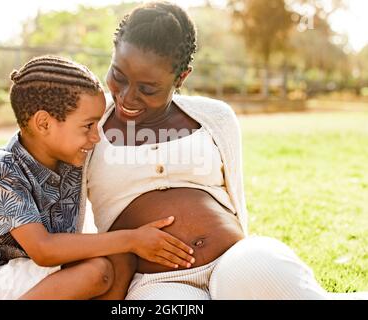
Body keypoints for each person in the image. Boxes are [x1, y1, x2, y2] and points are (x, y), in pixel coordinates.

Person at [83, 1, 367, 300]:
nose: (128, 96)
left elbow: (237, 200)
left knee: (270, 274)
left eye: (148, 88)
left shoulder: (215, 117)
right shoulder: (84, 125)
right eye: (119, 76)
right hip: (156, 282)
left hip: (235, 259)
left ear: (181, 78)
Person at [0, 55, 195, 300]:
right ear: (43, 123)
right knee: (97, 271)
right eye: (88, 126)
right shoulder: (2, 168)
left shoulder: (70, 158)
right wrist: (132, 238)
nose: (96, 136)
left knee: (118, 259)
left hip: (30, 275)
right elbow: (44, 250)